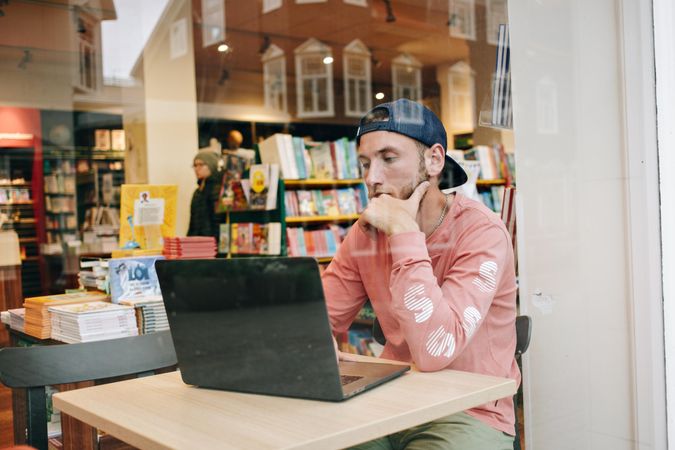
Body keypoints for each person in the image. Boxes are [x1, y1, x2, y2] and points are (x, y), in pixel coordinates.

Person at [322, 98, 519, 450]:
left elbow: (434, 352)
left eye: (389, 159)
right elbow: (319, 322)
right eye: (365, 164)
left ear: (434, 160)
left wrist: (403, 233)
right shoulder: (364, 234)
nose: (372, 178)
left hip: (468, 409)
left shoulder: (482, 232)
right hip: (390, 398)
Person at [187, 150, 223, 238]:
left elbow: (218, 222)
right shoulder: (198, 191)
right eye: (195, 165)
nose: (197, 168)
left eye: (201, 165)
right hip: (196, 243)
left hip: (210, 244)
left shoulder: (217, 189)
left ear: (211, 165)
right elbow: (193, 222)